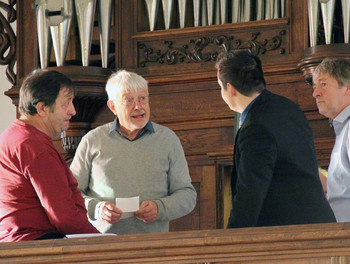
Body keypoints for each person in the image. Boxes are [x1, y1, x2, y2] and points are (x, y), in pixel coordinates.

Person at [215, 50, 336, 228]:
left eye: (220, 86)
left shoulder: (255, 127)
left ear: (230, 88)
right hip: (319, 221)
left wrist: (232, 240)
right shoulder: (288, 107)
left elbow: (250, 192)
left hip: (289, 232)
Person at [70, 70, 196, 234]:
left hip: (154, 246)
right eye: (129, 100)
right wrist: (97, 208)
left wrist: (160, 208)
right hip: (103, 246)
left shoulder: (168, 139)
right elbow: (70, 195)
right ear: (113, 106)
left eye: (142, 98)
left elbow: (187, 195)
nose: (138, 106)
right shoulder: (92, 140)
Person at [0, 69, 99, 242]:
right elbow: (64, 216)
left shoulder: (10, 136)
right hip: (38, 245)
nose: (73, 111)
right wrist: (102, 241)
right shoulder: (35, 145)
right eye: (66, 103)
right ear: (42, 108)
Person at [312, 58, 350, 222]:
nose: (315, 93)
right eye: (315, 86)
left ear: (348, 89)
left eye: (324, 84)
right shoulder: (344, 129)